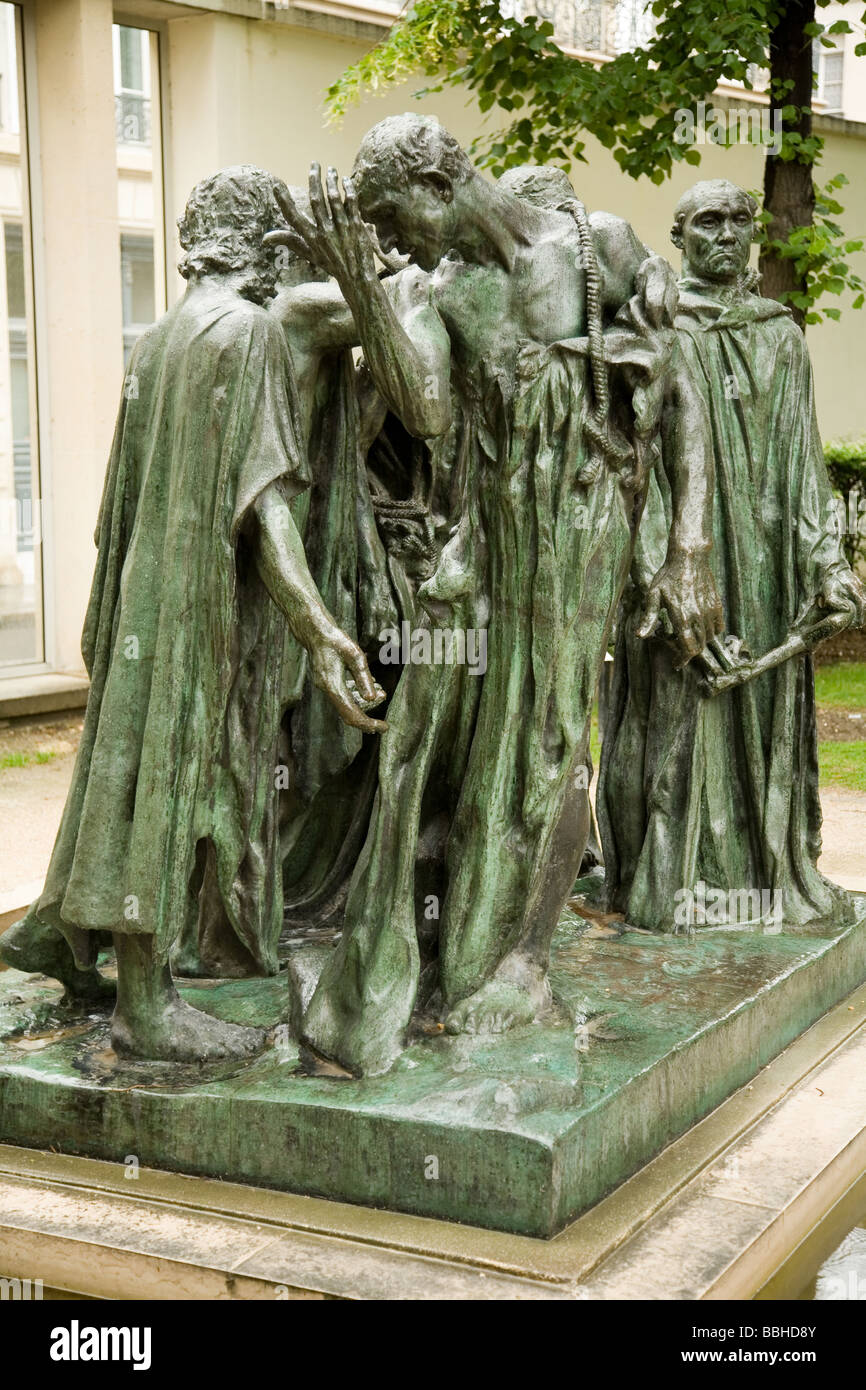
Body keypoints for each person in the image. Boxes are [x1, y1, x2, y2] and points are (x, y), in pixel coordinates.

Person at [267, 117, 723, 1075]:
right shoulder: (441, 289)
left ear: (437, 180)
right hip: (485, 539)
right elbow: (428, 411)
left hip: (578, 541)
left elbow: (678, 398)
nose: (393, 241)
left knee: (543, 746)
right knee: (429, 739)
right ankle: (417, 966)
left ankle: (498, 968)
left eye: (394, 218)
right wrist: (361, 285)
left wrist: (689, 541)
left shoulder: (598, 246)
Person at [0, 166, 383, 1060]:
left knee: (130, 772)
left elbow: (119, 496)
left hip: (145, 585)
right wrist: (321, 629)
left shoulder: (162, 334)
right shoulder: (246, 331)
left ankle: (80, 945)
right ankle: (147, 1007)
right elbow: (268, 503)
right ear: (263, 246)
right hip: (198, 597)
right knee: (174, 778)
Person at [598, 179, 866, 932]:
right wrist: (659, 566)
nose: (724, 235)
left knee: (757, 717)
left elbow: (805, 463)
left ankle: (768, 879)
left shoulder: (782, 333)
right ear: (677, 238)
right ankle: (673, 887)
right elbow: (628, 466)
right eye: (706, 223)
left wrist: (829, 562)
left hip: (769, 566)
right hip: (684, 561)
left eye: (738, 221)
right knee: (682, 719)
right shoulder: (653, 331)